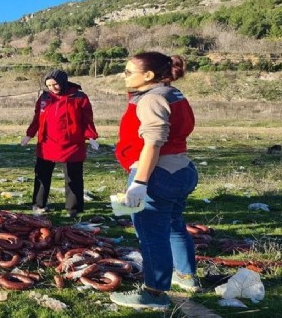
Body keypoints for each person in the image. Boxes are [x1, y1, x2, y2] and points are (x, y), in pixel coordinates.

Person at [109, 52, 200, 310]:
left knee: (150, 234)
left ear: (148, 76)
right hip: (181, 169)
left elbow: (153, 143)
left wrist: (139, 182)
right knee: (173, 225)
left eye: (128, 72)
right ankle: (187, 276)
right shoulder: (173, 93)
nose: (124, 76)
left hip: (157, 174)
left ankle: (155, 292)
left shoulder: (152, 99)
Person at [20, 70, 99, 218]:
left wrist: (91, 137)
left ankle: (73, 209)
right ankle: (39, 204)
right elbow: (37, 118)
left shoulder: (79, 97)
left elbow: (87, 119)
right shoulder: (44, 97)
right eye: (49, 85)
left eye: (55, 84)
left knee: (73, 176)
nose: (52, 88)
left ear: (63, 82)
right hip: (47, 143)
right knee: (42, 175)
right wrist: (29, 135)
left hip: (72, 143)